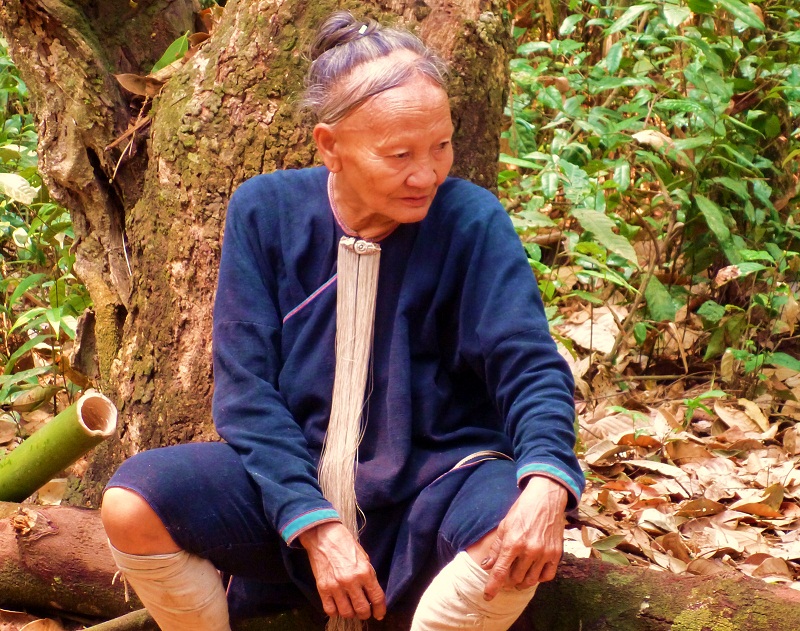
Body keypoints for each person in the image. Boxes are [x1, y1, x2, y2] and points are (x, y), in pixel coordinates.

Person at [100, 11, 584, 631]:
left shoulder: (472, 221)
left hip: (435, 485)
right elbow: (246, 392)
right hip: (289, 486)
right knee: (132, 503)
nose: (427, 173)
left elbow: (530, 365)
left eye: (441, 146)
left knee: (509, 544)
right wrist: (315, 523)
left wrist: (547, 481)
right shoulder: (265, 211)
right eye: (400, 154)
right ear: (330, 146)